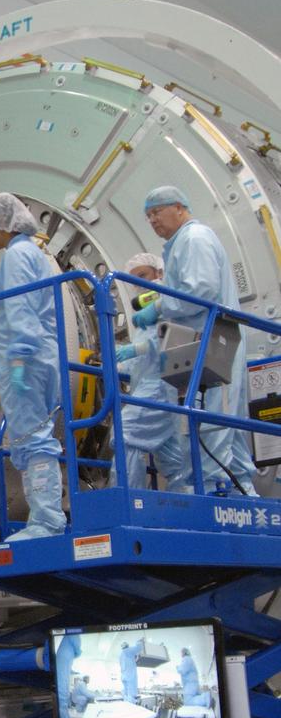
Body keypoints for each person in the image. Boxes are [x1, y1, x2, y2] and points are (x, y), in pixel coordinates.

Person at [134, 186, 257, 495]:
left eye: (156, 213)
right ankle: (244, 490)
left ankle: (215, 490)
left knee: (215, 418)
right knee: (220, 420)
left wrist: (159, 307)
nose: (153, 221)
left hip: (216, 343)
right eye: (148, 216)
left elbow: (199, 292)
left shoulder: (194, 239)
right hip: (206, 343)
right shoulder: (181, 244)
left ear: (179, 207)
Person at [0, 192, 66, 540]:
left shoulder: (17, 255)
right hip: (35, 354)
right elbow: (9, 305)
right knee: (30, 437)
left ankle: (48, 522)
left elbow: (22, 308)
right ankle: (45, 519)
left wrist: (21, 354)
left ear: (1, 224)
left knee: (32, 439)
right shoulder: (29, 254)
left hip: (26, 359)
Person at [114, 253, 191, 492]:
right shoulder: (149, 308)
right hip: (152, 387)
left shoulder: (168, 300)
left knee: (123, 434)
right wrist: (119, 363)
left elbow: (174, 338)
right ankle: (187, 509)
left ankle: (128, 502)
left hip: (157, 387)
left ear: (158, 273)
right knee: (174, 461)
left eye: (143, 275)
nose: (138, 284)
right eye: (134, 279)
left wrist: (135, 349)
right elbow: (142, 359)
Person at [56, 631, 82, 718]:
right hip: (64, 710)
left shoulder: (64, 651)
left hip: (67, 707)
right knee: (62, 695)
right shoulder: (70, 641)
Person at [119, 639, 142, 704]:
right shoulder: (128, 650)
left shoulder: (121, 655)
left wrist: (136, 658)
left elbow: (130, 662)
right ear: (127, 646)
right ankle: (131, 705)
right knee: (131, 694)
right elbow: (139, 647)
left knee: (126, 693)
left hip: (124, 676)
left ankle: (127, 704)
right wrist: (139, 641)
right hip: (130, 676)